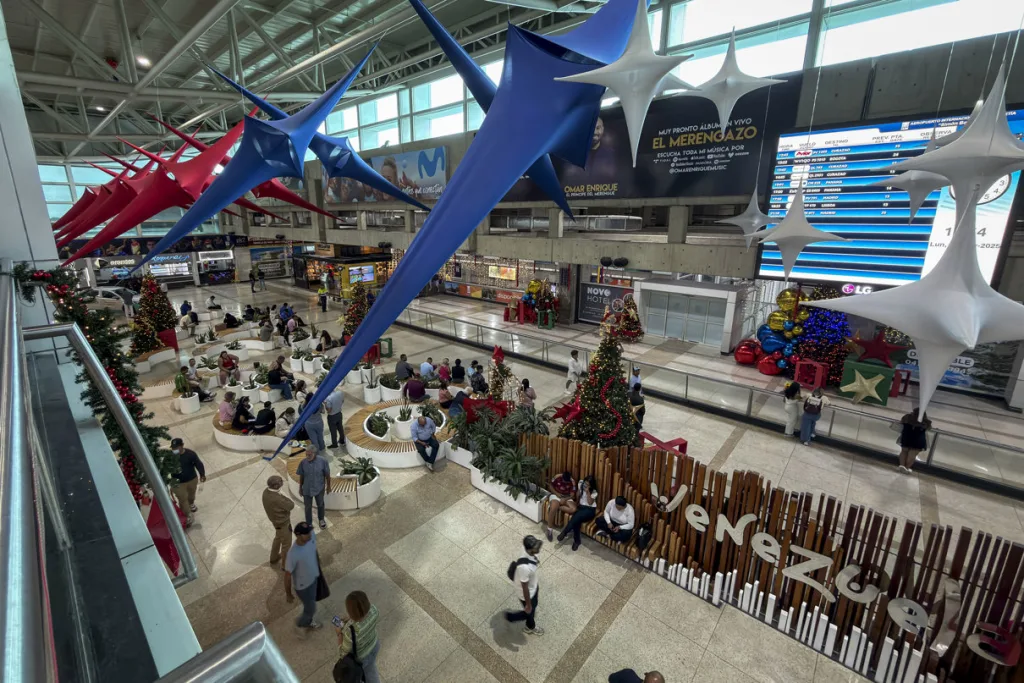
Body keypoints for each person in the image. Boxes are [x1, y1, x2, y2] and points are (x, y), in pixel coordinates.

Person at [336, 590, 381, 683]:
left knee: (358, 675)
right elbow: (364, 615)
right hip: (374, 646)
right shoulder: (374, 610)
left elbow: (342, 653)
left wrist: (339, 633)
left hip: (361, 658)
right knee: (370, 668)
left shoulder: (350, 631)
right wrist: (351, 618)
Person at [284, 522, 321, 629]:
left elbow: (314, 549)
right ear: (298, 535)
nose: (309, 534)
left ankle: (307, 620)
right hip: (303, 587)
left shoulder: (311, 537)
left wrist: (317, 563)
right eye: (306, 533)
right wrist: (288, 593)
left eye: (309, 531)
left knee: (312, 602)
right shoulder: (293, 554)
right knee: (311, 608)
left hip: (313, 579)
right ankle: (301, 624)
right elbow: (287, 576)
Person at [505, 535, 544, 636]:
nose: (538, 548)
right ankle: (529, 626)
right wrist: (528, 604)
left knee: (532, 609)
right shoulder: (524, 568)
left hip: (533, 586)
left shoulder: (525, 549)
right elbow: (524, 587)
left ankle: (528, 616)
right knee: (529, 611)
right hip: (527, 593)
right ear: (529, 549)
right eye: (535, 548)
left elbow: (523, 541)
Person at [558, 475, 599, 551]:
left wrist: (587, 493)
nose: (585, 485)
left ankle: (565, 532)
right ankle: (577, 541)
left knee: (577, 517)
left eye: (587, 484)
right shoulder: (580, 483)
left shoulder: (594, 492)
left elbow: (590, 503)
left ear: (591, 485)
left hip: (590, 510)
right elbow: (578, 496)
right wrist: (579, 491)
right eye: (585, 483)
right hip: (581, 507)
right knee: (577, 520)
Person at [170, 437, 206, 526]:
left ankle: (191, 503)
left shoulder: (190, 454)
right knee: (182, 499)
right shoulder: (170, 457)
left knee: (191, 495)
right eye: (173, 448)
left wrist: (202, 474)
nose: (175, 450)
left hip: (191, 479)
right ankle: (188, 515)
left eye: (177, 447)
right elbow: (165, 469)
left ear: (182, 446)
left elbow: (198, 464)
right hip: (177, 482)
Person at [263, 475, 295, 570]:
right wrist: (282, 494)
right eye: (281, 482)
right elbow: (291, 505)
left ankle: (273, 558)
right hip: (283, 524)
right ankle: (285, 565)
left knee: (278, 538)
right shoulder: (277, 498)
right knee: (286, 545)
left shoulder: (265, 492)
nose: (282, 483)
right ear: (276, 486)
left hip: (275, 522)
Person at [296, 444, 331, 529]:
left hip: (319, 488)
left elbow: (327, 475)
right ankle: (309, 523)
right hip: (307, 489)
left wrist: (329, 486)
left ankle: (321, 519)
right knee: (307, 507)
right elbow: (302, 475)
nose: (307, 456)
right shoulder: (303, 462)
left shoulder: (323, 461)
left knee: (320, 504)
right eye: (306, 454)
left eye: (309, 455)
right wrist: (300, 487)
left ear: (315, 454)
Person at [544, 472, 576, 542]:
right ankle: (549, 529)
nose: (565, 483)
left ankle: (558, 506)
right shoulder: (557, 477)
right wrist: (557, 494)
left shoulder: (572, 482)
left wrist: (565, 499)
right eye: (564, 481)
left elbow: (572, 494)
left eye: (566, 482)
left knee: (573, 509)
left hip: (566, 497)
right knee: (553, 508)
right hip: (556, 494)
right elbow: (551, 486)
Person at [898, 409, 932, 474]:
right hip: (918, 440)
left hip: (906, 437)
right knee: (912, 455)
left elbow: (901, 422)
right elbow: (929, 428)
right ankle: (906, 467)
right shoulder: (926, 421)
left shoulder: (907, 417)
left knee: (904, 451)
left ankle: (902, 465)